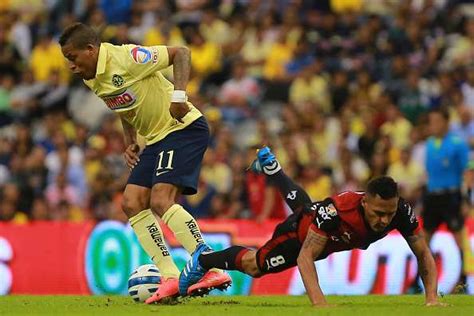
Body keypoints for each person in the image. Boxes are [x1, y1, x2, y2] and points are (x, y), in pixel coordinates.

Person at [59, 23, 230, 304]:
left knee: (161, 199)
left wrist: (179, 97)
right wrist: (130, 141)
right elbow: (123, 106)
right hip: (155, 138)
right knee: (131, 201)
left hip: (182, 126)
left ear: (90, 50)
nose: (71, 66)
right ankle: (170, 276)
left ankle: (209, 266)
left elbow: (181, 53)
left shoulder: (126, 58)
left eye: (73, 57)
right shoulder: (92, 78)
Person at [179, 147, 446, 307]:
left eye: (388, 214)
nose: (384, 221)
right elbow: (306, 256)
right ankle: (203, 259)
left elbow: (423, 253)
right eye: (378, 213)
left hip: (314, 217)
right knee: (254, 266)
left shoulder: (400, 211)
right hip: (298, 234)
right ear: (365, 203)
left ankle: (273, 169)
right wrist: (319, 303)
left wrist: (431, 298)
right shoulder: (337, 214)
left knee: (305, 207)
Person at [424, 108, 468, 280]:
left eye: (437, 121)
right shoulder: (428, 144)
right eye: (431, 121)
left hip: (451, 195)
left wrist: (465, 198)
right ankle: (422, 276)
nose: (433, 125)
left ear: (446, 122)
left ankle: (464, 275)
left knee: (458, 237)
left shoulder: (458, 144)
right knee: (424, 239)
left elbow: (467, 171)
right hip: (432, 195)